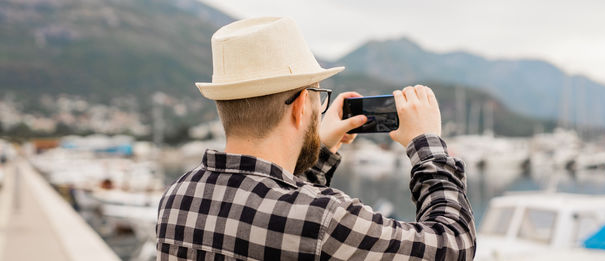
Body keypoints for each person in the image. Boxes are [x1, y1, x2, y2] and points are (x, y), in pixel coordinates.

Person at [156, 17, 476, 260]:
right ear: (298, 106)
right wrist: (426, 144)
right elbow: (453, 243)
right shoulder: (326, 219)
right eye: (318, 96)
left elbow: (272, 204)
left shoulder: (177, 197)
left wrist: (318, 148)